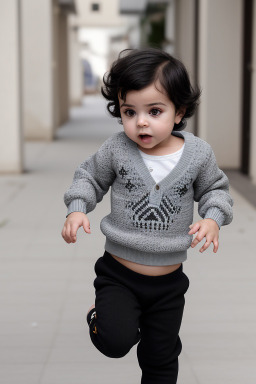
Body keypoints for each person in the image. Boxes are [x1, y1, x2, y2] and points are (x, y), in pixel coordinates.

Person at [61, 48, 233, 384]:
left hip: (169, 283)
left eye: (154, 111)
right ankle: (98, 317)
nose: (141, 121)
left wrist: (212, 218)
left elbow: (216, 190)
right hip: (119, 274)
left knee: (161, 358)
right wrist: (77, 208)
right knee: (116, 340)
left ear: (179, 110)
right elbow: (89, 177)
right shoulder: (117, 150)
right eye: (130, 111)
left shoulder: (197, 154)